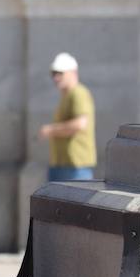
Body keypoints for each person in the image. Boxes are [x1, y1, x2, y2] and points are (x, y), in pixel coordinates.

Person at [38, 52, 97, 182]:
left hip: (76, 167)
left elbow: (80, 124)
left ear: (73, 72)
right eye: (54, 73)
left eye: (60, 73)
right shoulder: (67, 95)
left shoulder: (79, 93)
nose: (56, 78)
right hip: (63, 165)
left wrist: (51, 130)